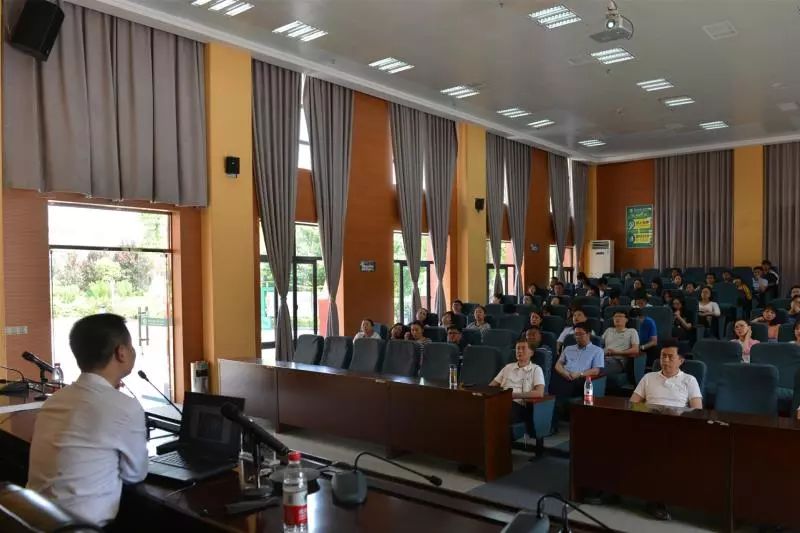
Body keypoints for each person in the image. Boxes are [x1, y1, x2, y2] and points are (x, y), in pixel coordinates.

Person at [27, 314, 147, 527]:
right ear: (121, 352)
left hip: (35, 520)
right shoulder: (125, 407)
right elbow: (135, 475)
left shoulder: (55, 400)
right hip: (79, 528)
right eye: (131, 346)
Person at [630, 339, 703, 522]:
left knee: (662, 453)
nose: (665, 360)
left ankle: (657, 500)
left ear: (681, 360)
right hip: (648, 425)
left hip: (676, 429)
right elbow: (633, 404)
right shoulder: (648, 378)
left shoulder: (689, 380)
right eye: (663, 356)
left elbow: (697, 411)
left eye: (670, 357)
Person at [489, 340, 546, 432]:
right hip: (500, 401)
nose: (519, 351)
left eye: (523, 348)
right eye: (518, 348)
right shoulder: (508, 367)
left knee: (499, 412)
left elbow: (539, 393)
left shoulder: (536, 369)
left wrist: (513, 395)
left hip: (519, 405)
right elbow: (491, 386)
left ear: (531, 353)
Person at [550, 323, 604, 401]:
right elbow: (558, 364)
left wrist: (579, 374)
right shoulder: (568, 348)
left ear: (588, 334)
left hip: (579, 378)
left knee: (564, 388)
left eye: (580, 334)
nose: (577, 337)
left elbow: (596, 370)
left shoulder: (597, 351)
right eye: (576, 334)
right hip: (563, 375)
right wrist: (564, 373)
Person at [601, 310, 640, 376]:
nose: (617, 318)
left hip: (618, 361)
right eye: (615, 317)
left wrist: (616, 352)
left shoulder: (632, 331)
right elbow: (599, 343)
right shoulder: (608, 330)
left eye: (620, 316)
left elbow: (635, 350)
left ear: (626, 320)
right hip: (603, 357)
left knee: (598, 366)